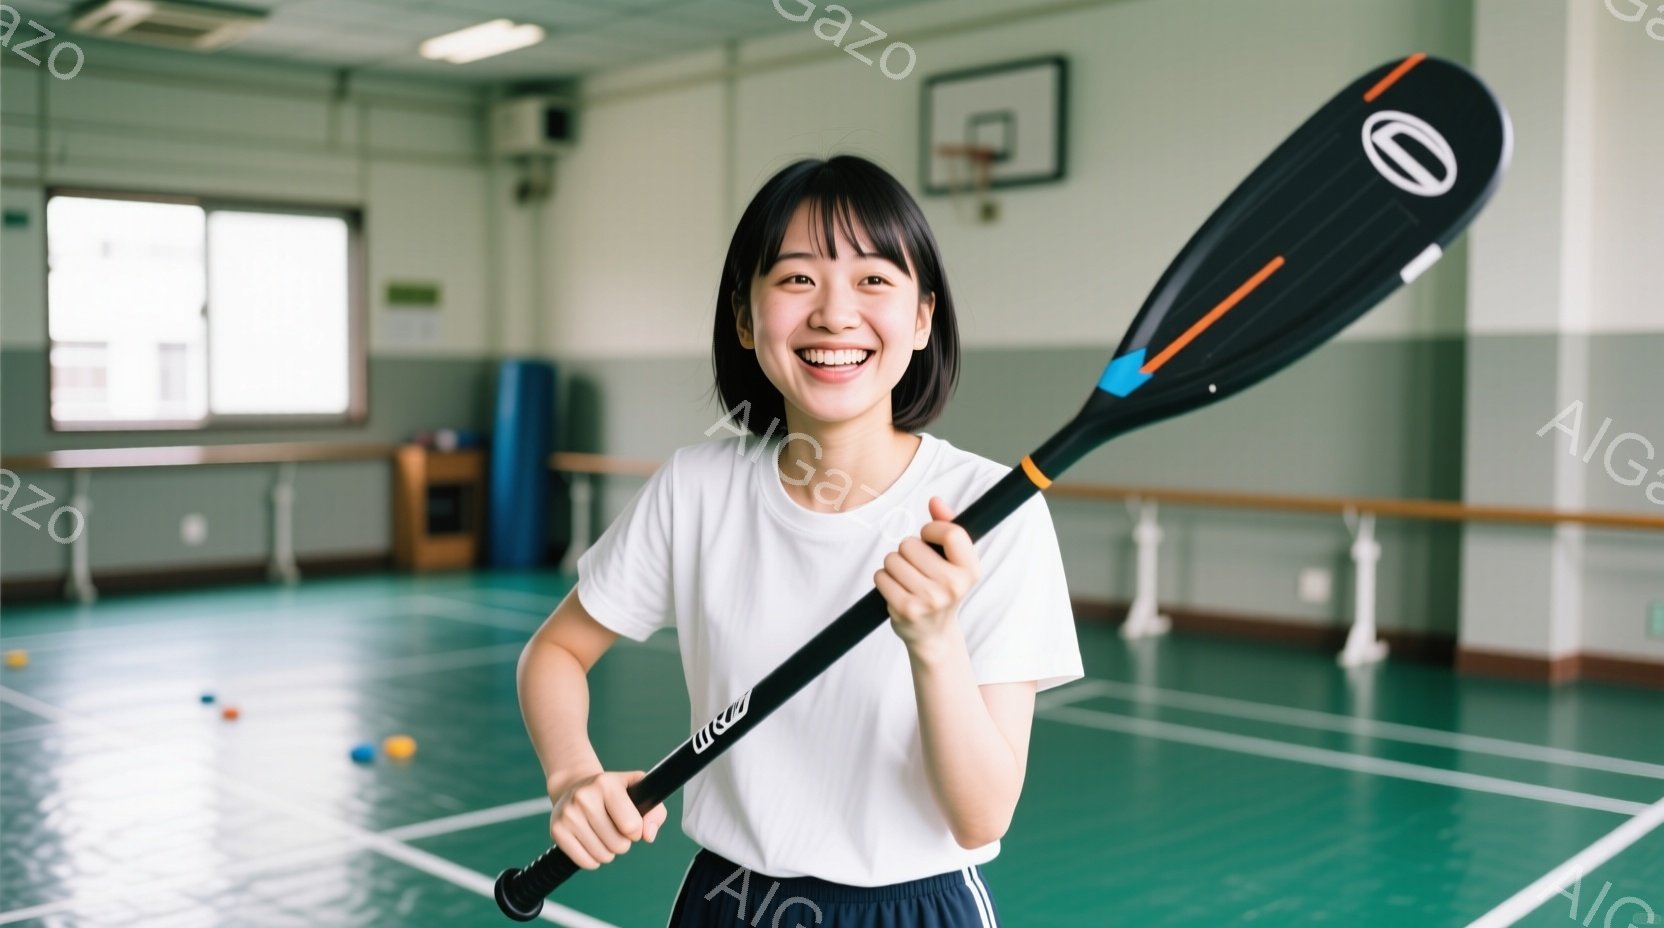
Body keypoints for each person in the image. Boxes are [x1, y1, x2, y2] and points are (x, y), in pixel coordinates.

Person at [517, 154, 1082, 927]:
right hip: (728, 902)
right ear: (745, 318)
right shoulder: (697, 488)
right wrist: (573, 777)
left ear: (923, 317)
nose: (835, 314)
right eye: (796, 279)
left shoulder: (994, 514)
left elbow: (981, 817)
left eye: (874, 278)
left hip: (914, 910)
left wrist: (934, 642)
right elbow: (554, 652)